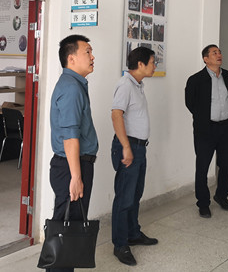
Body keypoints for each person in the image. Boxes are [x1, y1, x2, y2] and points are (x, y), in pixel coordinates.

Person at [48, 35, 99, 272]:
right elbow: (70, 137)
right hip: (71, 166)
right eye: (87, 52)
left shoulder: (74, 84)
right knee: (66, 229)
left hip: (71, 165)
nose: (92, 57)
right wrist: (76, 177)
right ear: (71, 58)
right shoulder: (71, 88)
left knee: (68, 226)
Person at [111, 47, 158, 266]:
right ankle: (120, 244)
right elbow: (116, 115)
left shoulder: (137, 85)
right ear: (140, 64)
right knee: (124, 197)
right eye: (152, 62)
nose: (154, 66)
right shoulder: (125, 85)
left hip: (139, 148)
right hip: (129, 147)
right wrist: (126, 147)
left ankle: (133, 233)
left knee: (135, 194)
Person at [185, 44, 228, 218]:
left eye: (219, 52)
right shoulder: (196, 79)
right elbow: (190, 103)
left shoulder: (227, 76)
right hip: (206, 129)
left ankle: (221, 196)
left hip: (226, 127)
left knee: (226, 165)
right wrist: (203, 118)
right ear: (205, 59)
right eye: (214, 53)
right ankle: (203, 203)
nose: (219, 55)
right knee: (202, 167)